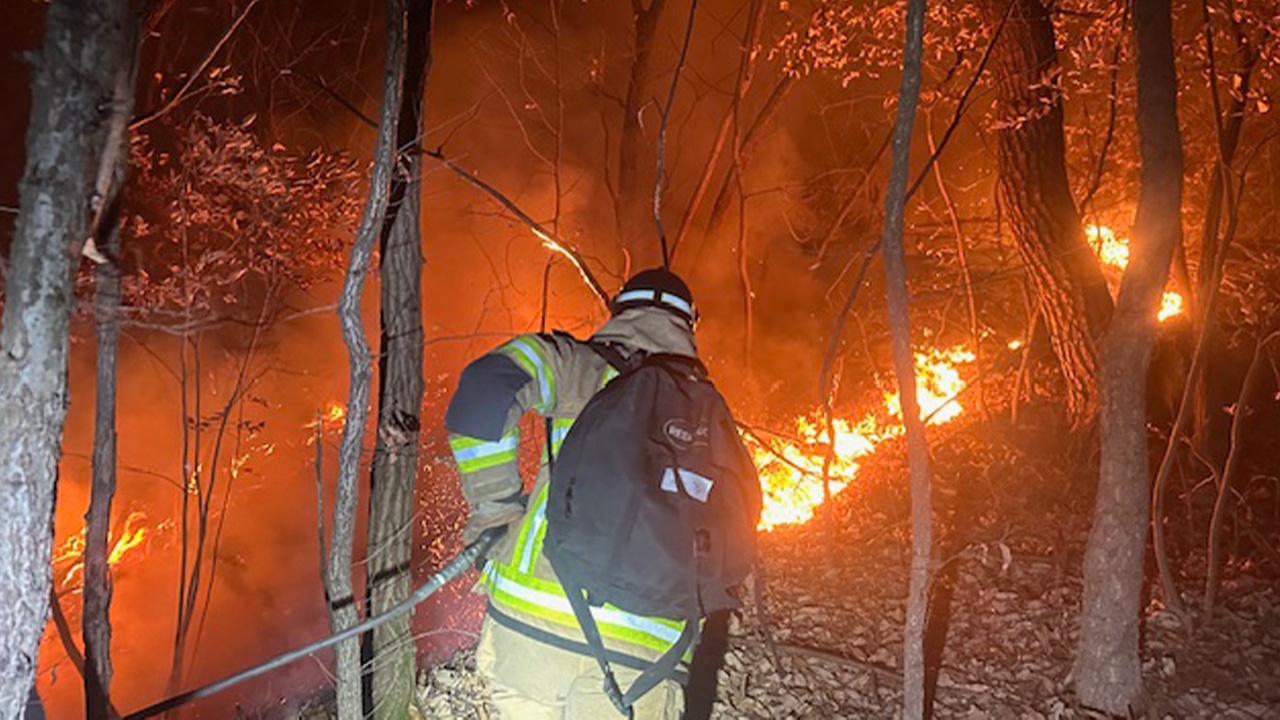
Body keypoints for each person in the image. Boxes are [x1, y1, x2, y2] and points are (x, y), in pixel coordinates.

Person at [445, 268, 722, 719]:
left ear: (619, 309)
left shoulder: (575, 365)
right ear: (691, 324)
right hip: (646, 656)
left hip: (530, 628)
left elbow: (481, 392)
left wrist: (495, 511)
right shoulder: (708, 415)